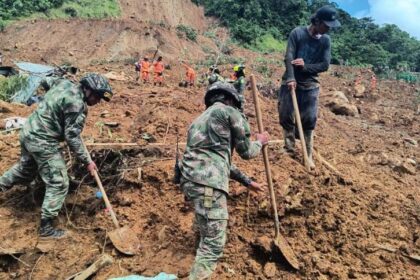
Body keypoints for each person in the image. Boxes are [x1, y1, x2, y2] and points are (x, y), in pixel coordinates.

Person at [0, 73, 113, 239]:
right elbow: (72, 137)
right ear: (88, 90)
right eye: (97, 96)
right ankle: (46, 228)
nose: (98, 101)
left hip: (28, 132)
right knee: (58, 182)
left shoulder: (62, 83)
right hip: (42, 141)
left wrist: (54, 104)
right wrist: (88, 161)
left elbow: (45, 80)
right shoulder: (77, 106)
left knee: (25, 170)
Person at [180, 82, 269, 280]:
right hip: (208, 185)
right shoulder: (229, 112)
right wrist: (260, 142)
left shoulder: (197, 121)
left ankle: (197, 259)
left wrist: (247, 182)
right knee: (214, 243)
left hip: (189, 181)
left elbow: (218, 161)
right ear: (230, 100)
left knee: (205, 226)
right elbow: (246, 152)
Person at [278, 5, 340, 169]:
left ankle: (308, 155)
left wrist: (305, 67)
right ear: (317, 21)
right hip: (290, 81)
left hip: (310, 83)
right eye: (326, 25)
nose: (328, 29)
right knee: (285, 115)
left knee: (309, 119)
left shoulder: (325, 41)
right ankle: (289, 147)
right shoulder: (297, 33)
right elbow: (289, 56)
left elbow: (324, 65)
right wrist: (291, 77)